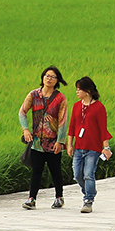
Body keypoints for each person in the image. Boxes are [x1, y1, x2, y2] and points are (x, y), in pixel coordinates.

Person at [19, 66, 69, 209]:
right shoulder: (34, 95)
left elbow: (63, 121)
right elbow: (22, 112)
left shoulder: (60, 98)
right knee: (36, 171)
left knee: (55, 170)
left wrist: (60, 141)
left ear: (57, 80)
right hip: (37, 142)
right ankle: (31, 199)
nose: (49, 79)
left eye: (53, 77)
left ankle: (59, 197)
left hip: (53, 142)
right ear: (42, 77)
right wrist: (26, 130)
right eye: (47, 76)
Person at [63, 76, 113, 214]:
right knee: (77, 174)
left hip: (93, 148)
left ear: (88, 91)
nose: (77, 92)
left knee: (88, 174)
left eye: (79, 89)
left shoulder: (99, 107)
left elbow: (103, 129)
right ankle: (89, 191)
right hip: (78, 147)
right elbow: (72, 126)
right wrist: (69, 145)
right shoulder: (76, 106)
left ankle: (88, 200)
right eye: (76, 89)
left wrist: (106, 147)